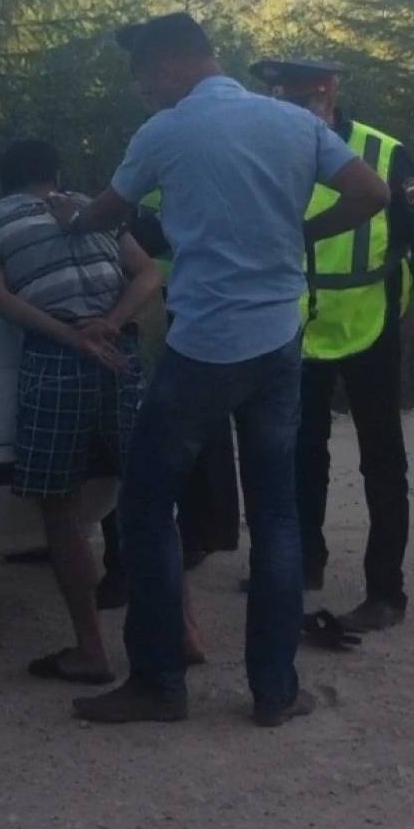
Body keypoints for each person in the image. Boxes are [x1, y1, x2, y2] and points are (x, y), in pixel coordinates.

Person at [49, 13, 390, 726]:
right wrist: (302, 233)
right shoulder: (293, 123)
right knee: (276, 515)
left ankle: (158, 683)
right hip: (279, 341)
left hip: (205, 347)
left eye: (143, 79)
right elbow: (372, 193)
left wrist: (69, 215)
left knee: (145, 506)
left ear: (171, 65)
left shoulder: (166, 132)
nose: (144, 93)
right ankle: (275, 691)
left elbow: (105, 215)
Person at [0, 137, 192, 685]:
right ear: (56, 171)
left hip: (54, 364)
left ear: (3, 178)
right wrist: (110, 323)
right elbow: (149, 273)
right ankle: (185, 633)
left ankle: (91, 650)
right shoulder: (94, 208)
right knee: (150, 497)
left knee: (60, 509)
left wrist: (70, 336)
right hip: (121, 357)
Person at [249, 56, 414, 631]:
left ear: (329, 93)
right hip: (297, 330)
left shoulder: (381, 153)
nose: (293, 108)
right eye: (284, 99)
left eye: (303, 98)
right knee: (300, 453)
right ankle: (304, 562)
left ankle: (386, 592)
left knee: (382, 461)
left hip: (371, 326)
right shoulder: (269, 152)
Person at [97, 190, 242, 610]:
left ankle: (199, 532)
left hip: (200, 303)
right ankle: (197, 532)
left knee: (185, 425)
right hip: (172, 303)